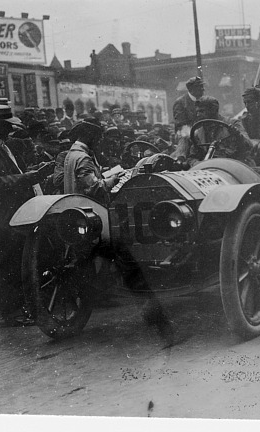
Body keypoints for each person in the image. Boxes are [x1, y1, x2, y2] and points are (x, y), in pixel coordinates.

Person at [63, 117, 175, 343]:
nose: (99, 141)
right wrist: (115, 177)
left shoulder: (70, 156)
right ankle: (158, 320)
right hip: (93, 219)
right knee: (130, 264)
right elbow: (94, 187)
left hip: (77, 221)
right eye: (96, 137)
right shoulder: (83, 158)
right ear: (88, 137)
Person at [0, 104, 53, 326]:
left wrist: (32, 173)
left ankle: (18, 310)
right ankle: (12, 313)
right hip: (1, 219)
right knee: (8, 266)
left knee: (14, 264)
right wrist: (30, 177)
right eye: (6, 126)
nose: (10, 130)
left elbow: (8, 175)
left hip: (11, 215)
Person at [184, 96, 253, 166]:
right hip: (211, 168)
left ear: (214, 110)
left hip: (235, 166)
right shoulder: (199, 133)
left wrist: (237, 134)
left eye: (202, 111)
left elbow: (249, 145)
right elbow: (192, 157)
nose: (198, 115)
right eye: (197, 112)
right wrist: (199, 164)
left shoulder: (233, 124)